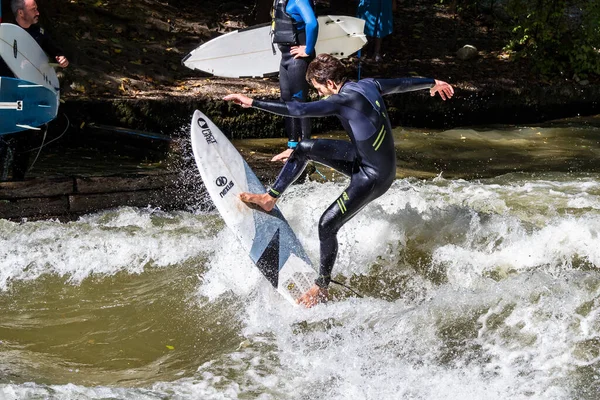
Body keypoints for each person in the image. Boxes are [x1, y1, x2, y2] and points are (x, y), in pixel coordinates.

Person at [224, 53, 454, 307]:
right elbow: (401, 83)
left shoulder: (342, 99)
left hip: (373, 177)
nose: (321, 94)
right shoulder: (367, 84)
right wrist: (433, 81)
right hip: (364, 159)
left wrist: (251, 102)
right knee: (303, 147)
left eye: (319, 89)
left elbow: (299, 109)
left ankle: (321, 286)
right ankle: (270, 198)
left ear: (331, 83)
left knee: (326, 225)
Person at [0, 0, 69, 181]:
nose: (38, 12)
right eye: (34, 9)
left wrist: (61, 59)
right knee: (3, 138)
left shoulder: (40, 33)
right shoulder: (5, 34)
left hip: (28, 96)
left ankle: (18, 182)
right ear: (21, 13)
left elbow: (56, 52)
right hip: (7, 95)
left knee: (25, 139)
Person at [271, 0, 318, 163]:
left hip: (297, 60)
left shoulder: (299, 0)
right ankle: (292, 145)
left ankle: (306, 146)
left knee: (299, 102)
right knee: (286, 100)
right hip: (285, 59)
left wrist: (308, 49)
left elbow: (312, 23)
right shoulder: (282, 1)